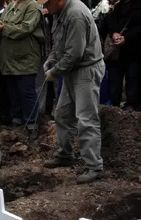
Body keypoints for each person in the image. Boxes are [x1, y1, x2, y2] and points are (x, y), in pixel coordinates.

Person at [41, 0, 105, 183]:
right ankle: (65, 154)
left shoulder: (75, 14)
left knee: (86, 118)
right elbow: (58, 44)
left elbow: (75, 53)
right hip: (71, 70)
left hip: (85, 70)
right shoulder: (59, 13)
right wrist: (52, 60)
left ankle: (94, 166)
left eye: (48, 2)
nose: (46, 6)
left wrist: (55, 71)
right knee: (62, 114)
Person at [0, 0, 43, 132]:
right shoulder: (11, 5)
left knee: (26, 91)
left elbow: (26, 28)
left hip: (25, 58)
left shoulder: (32, 6)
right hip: (8, 58)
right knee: (13, 91)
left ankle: (31, 122)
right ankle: (17, 120)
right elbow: (2, 21)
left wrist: (4, 28)